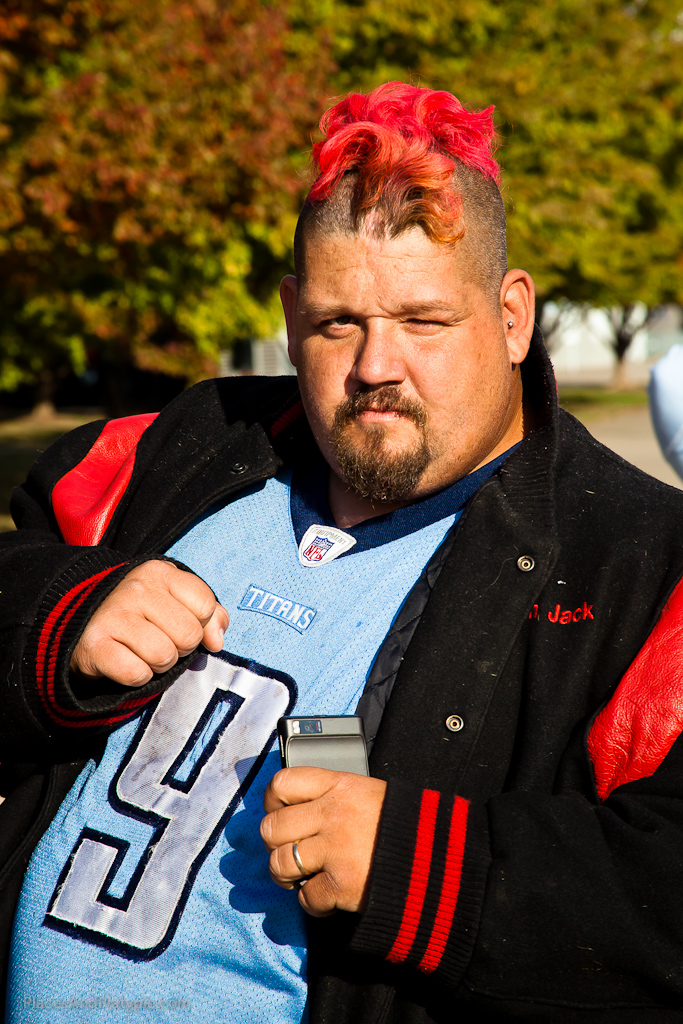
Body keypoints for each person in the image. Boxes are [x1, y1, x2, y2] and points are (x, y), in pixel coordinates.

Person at [3, 81, 683, 1024]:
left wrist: (423, 868)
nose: (374, 365)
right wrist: (62, 616)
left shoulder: (642, 559)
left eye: (422, 322)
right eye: (336, 324)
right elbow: (16, 563)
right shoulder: (187, 443)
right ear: (290, 316)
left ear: (513, 315)